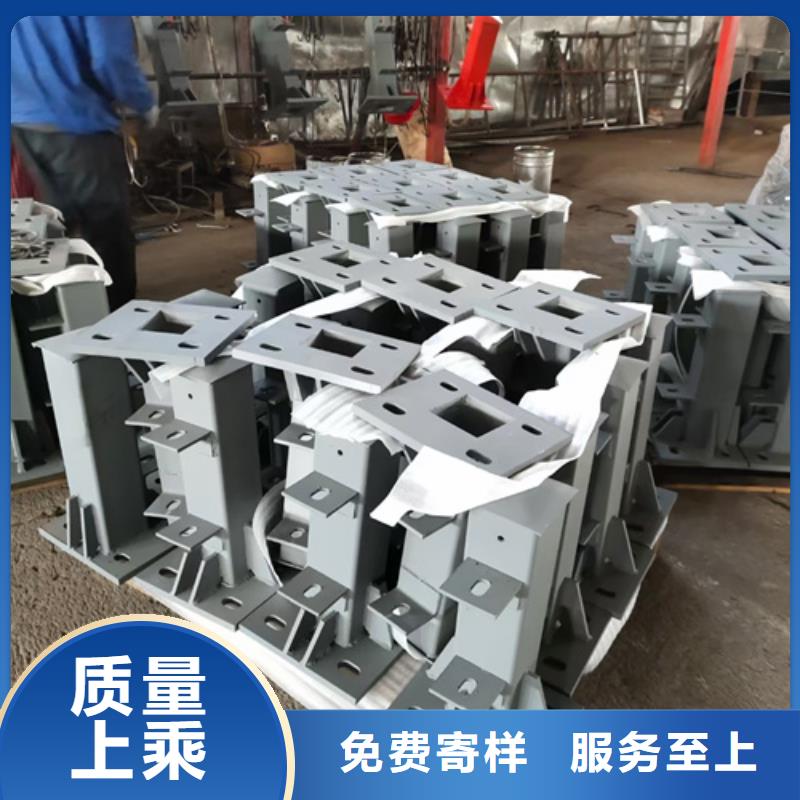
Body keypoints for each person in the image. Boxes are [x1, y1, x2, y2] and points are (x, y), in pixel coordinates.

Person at [11, 16, 158, 309]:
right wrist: (144, 102)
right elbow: (110, 59)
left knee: (53, 225)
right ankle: (117, 315)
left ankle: (61, 309)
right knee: (107, 229)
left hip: (22, 121)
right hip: (78, 123)